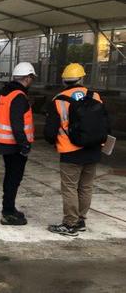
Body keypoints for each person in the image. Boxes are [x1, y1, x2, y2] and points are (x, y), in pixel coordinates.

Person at [44, 63, 108, 236]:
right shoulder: (95, 96)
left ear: (64, 80)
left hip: (70, 151)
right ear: (82, 78)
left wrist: (52, 141)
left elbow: (50, 131)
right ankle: (80, 220)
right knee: (86, 186)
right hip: (93, 148)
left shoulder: (59, 99)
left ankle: (70, 224)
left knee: (70, 188)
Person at [0, 62, 36, 226]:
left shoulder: (6, 93)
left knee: (10, 177)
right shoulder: (19, 96)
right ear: (27, 78)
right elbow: (16, 123)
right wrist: (24, 144)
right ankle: (8, 212)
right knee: (14, 178)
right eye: (32, 78)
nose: (32, 81)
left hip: (6, 143)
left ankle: (9, 208)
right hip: (15, 145)